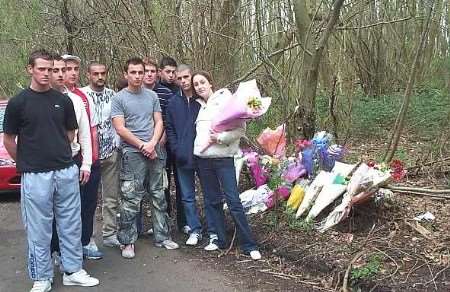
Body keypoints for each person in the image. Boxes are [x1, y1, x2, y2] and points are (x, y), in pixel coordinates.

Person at [2, 49, 99, 292]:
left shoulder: (64, 100)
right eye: (42, 69)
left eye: (50, 69)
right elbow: (9, 140)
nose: (47, 74)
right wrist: (26, 163)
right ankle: (42, 276)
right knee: (39, 229)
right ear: (30, 69)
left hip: (66, 171)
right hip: (35, 175)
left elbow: (70, 134)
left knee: (70, 224)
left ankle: (73, 270)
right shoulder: (18, 103)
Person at [111, 57, 179, 259]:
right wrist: (141, 145)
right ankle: (127, 241)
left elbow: (159, 121)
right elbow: (120, 128)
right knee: (131, 198)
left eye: (141, 72)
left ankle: (162, 236)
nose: (138, 76)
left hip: (155, 150)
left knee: (159, 194)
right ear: (126, 74)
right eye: (133, 72)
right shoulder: (119, 98)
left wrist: (152, 143)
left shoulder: (151, 96)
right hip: (132, 153)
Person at [192, 71, 262, 260]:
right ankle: (219, 240)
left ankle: (249, 245)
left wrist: (221, 138)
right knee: (212, 201)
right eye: (196, 84)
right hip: (203, 160)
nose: (199, 86)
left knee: (233, 201)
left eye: (202, 82)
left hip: (223, 159)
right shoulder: (200, 107)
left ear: (210, 83)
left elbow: (240, 129)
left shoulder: (225, 99)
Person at [49, 55, 93, 262]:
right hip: (45, 164)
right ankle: (53, 251)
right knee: (49, 214)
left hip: (72, 160)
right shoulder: (34, 99)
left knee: (71, 212)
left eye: (65, 69)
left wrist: (86, 164)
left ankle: (72, 256)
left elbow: (84, 134)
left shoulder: (75, 100)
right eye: (58, 70)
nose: (63, 74)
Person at [63, 54, 103, 259]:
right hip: (64, 158)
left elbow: (91, 130)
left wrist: (91, 161)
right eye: (67, 68)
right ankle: (65, 249)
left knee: (88, 203)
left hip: (86, 158)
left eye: (75, 68)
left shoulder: (83, 97)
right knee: (68, 207)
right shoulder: (56, 96)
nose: (71, 72)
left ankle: (86, 240)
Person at [143, 57, 188, 234]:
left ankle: (184, 222)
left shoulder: (173, 93)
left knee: (180, 184)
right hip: (151, 146)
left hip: (171, 145)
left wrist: (164, 139)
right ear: (160, 72)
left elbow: (170, 120)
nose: (171, 75)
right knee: (162, 185)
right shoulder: (145, 91)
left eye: (173, 72)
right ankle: (164, 221)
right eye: (167, 72)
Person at [80, 62, 120, 248]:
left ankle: (110, 233)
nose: (100, 77)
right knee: (88, 200)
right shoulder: (81, 95)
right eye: (95, 74)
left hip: (110, 152)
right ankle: (88, 238)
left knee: (111, 197)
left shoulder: (113, 96)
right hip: (89, 156)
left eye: (103, 73)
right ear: (88, 75)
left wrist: (117, 146)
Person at [166, 64, 202, 246]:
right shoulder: (173, 103)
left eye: (186, 77)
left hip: (204, 155)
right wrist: (176, 148)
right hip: (182, 155)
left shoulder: (202, 100)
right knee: (187, 195)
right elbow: (170, 128)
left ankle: (213, 230)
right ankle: (194, 229)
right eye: (179, 78)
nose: (183, 81)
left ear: (191, 76)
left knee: (211, 195)